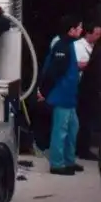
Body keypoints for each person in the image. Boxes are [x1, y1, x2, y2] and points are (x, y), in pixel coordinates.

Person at [38, 16, 85, 175]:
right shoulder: (62, 46)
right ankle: (57, 164)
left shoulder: (70, 45)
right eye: (79, 27)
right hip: (62, 95)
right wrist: (45, 92)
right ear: (71, 30)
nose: (81, 30)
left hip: (70, 96)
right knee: (61, 129)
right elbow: (53, 72)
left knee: (73, 128)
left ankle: (68, 160)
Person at [74, 22, 101, 160]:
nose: (98, 37)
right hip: (81, 87)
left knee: (87, 120)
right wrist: (89, 65)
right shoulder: (78, 46)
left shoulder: (94, 47)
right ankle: (81, 149)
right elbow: (75, 64)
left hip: (91, 88)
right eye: (96, 34)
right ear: (88, 33)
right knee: (83, 120)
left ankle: (83, 147)